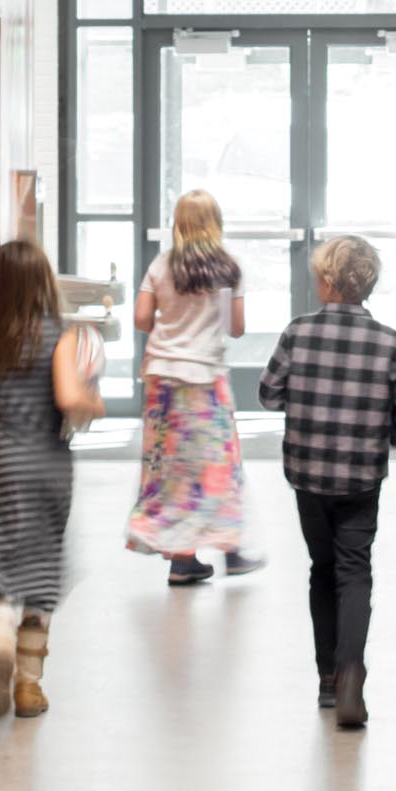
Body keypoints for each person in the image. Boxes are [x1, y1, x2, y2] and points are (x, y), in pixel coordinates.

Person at [258, 234, 396, 731]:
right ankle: (353, 672)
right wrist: (389, 434)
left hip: (309, 474)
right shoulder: (390, 342)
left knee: (321, 568)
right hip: (361, 475)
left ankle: (328, 679)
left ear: (329, 281)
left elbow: (269, 396)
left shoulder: (297, 333)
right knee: (355, 570)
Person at [0, 238, 104, 719]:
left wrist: (5, 412)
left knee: (3, 565)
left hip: (4, 461)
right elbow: (67, 398)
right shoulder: (58, 335)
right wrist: (92, 401)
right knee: (42, 572)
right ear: (44, 283)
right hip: (49, 464)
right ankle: (27, 687)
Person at [123, 188, 264, 585]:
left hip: (164, 379)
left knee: (172, 468)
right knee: (218, 464)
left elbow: (140, 318)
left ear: (178, 224)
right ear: (215, 222)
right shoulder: (227, 268)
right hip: (205, 379)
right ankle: (231, 551)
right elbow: (234, 328)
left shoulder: (161, 264)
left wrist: (171, 325)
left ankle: (184, 559)